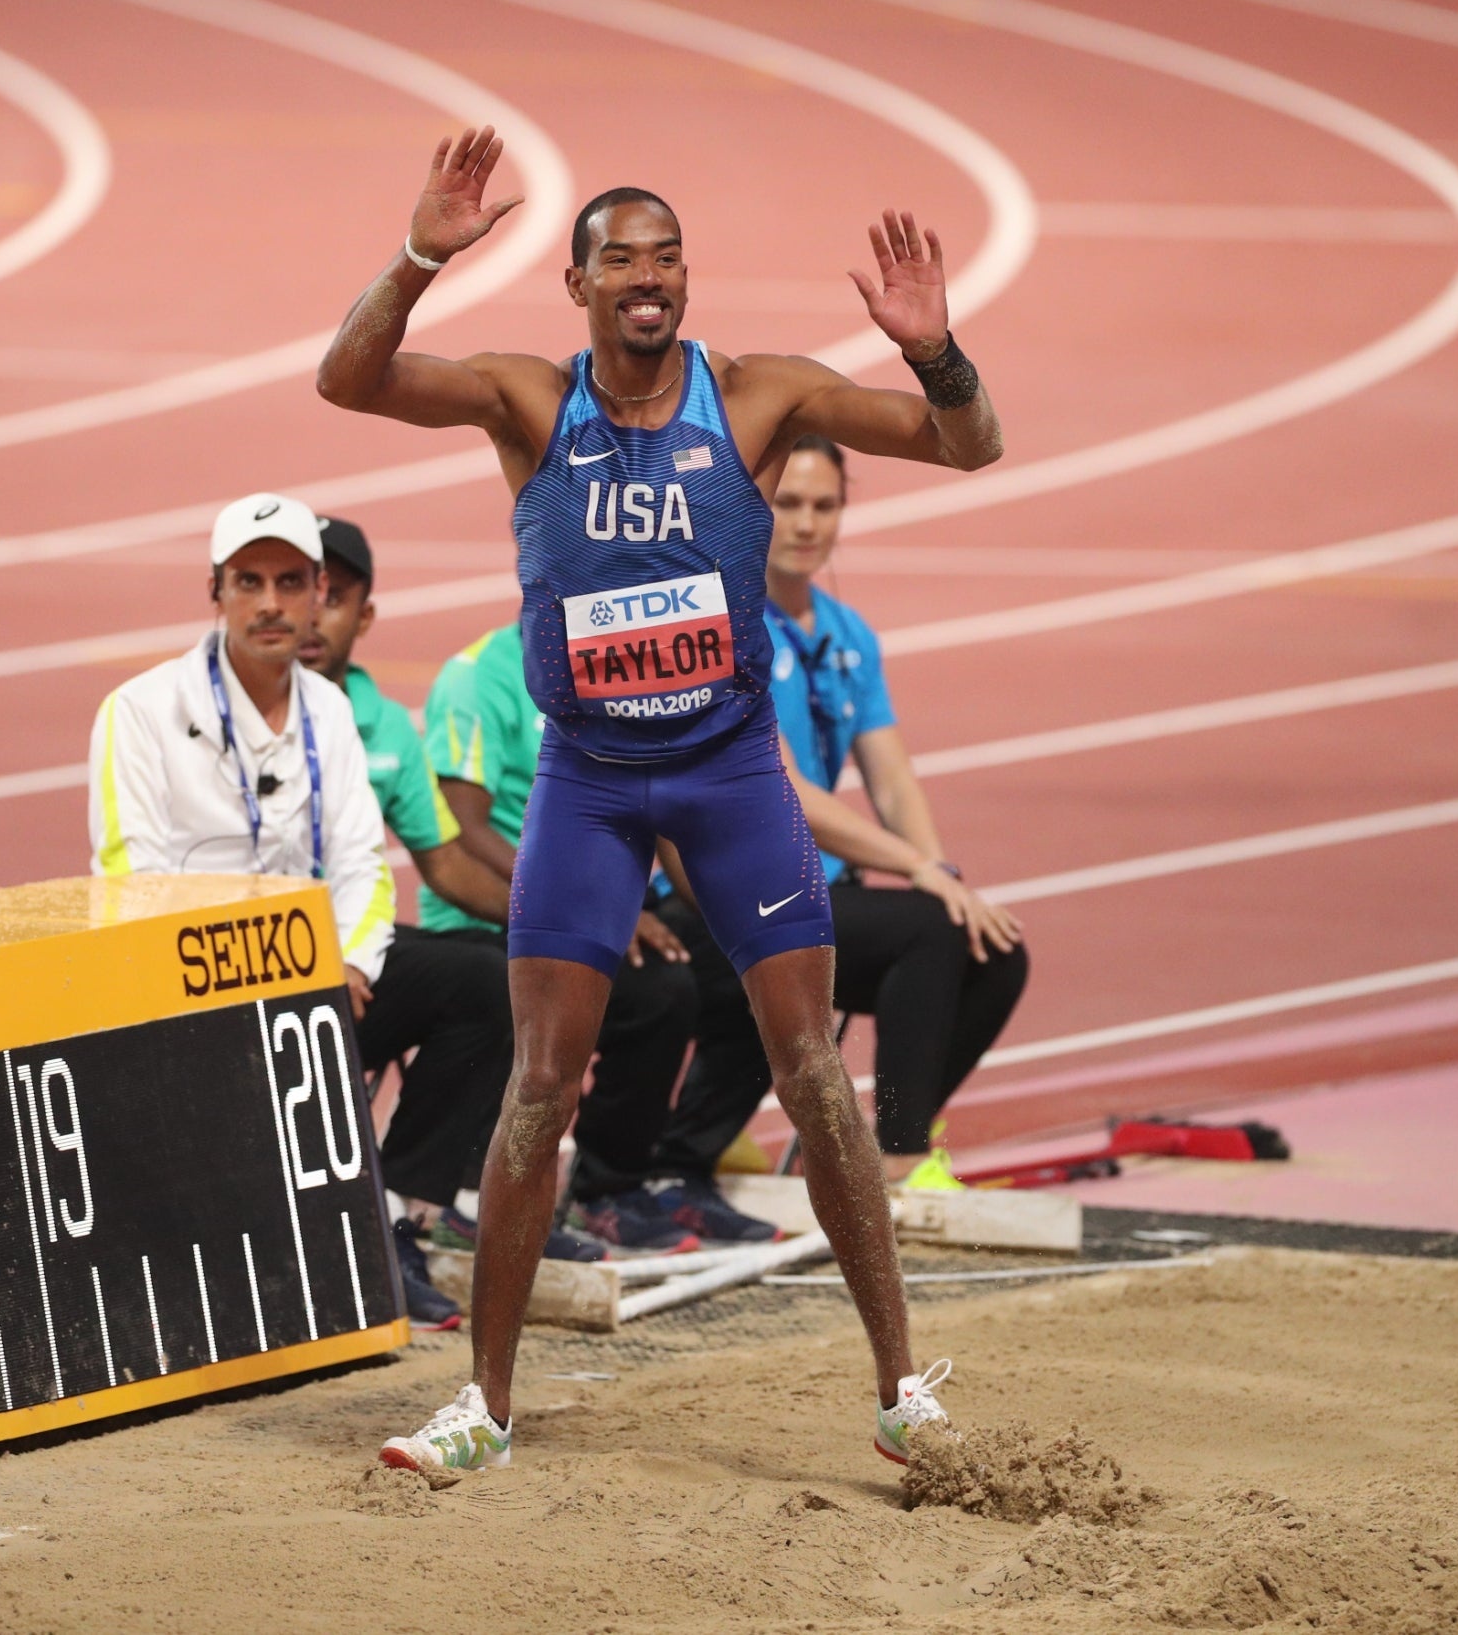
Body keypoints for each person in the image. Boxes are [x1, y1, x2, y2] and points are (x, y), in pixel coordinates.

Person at [318, 126, 1006, 1476]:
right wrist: (415, 258)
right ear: (576, 284)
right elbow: (350, 381)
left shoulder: (756, 397)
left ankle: (901, 1387)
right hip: (590, 778)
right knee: (538, 1085)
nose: (649, 277)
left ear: (688, 280)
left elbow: (969, 445)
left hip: (730, 770)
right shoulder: (529, 400)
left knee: (814, 1072)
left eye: (669, 256)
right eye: (621, 257)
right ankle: (487, 1407)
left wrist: (935, 347)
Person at [87, 493, 463, 1329]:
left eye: (290, 582)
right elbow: (133, 882)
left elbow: (365, 864)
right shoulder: (139, 712)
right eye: (248, 581)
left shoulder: (330, 709)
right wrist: (273, 968)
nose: (269, 603)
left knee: (476, 983)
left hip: (321, 975)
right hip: (193, 986)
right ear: (215, 590)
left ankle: (396, 1217)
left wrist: (354, 964)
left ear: (319, 592)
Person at [647, 435, 1028, 1211]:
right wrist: (921, 879)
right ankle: (894, 1163)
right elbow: (782, 791)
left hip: (812, 892)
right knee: (928, 929)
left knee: (992, 949)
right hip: (715, 893)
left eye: (825, 505)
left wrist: (943, 875)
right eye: (788, 503)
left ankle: (884, 1138)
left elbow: (891, 775)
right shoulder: (719, 623)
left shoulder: (848, 633)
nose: (807, 524)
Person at [300, 518, 607, 1279]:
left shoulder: (381, 729)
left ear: (363, 616)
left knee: (495, 976)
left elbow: (444, 862)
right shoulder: (199, 714)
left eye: (331, 597)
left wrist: (558, 927)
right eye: (290, 590)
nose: (308, 613)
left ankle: (402, 1212)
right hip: (239, 975)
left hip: (350, 966)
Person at [422, 623, 710, 1253]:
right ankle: (476, 1201)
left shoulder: (620, 665)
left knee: (697, 965)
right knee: (640, 985)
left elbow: (656, 802)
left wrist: (736, 909)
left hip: (600, 906)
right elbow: (464, 829)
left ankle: (620, 1187)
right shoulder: (477, 675)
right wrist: (585, 907)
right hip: (491, 913)